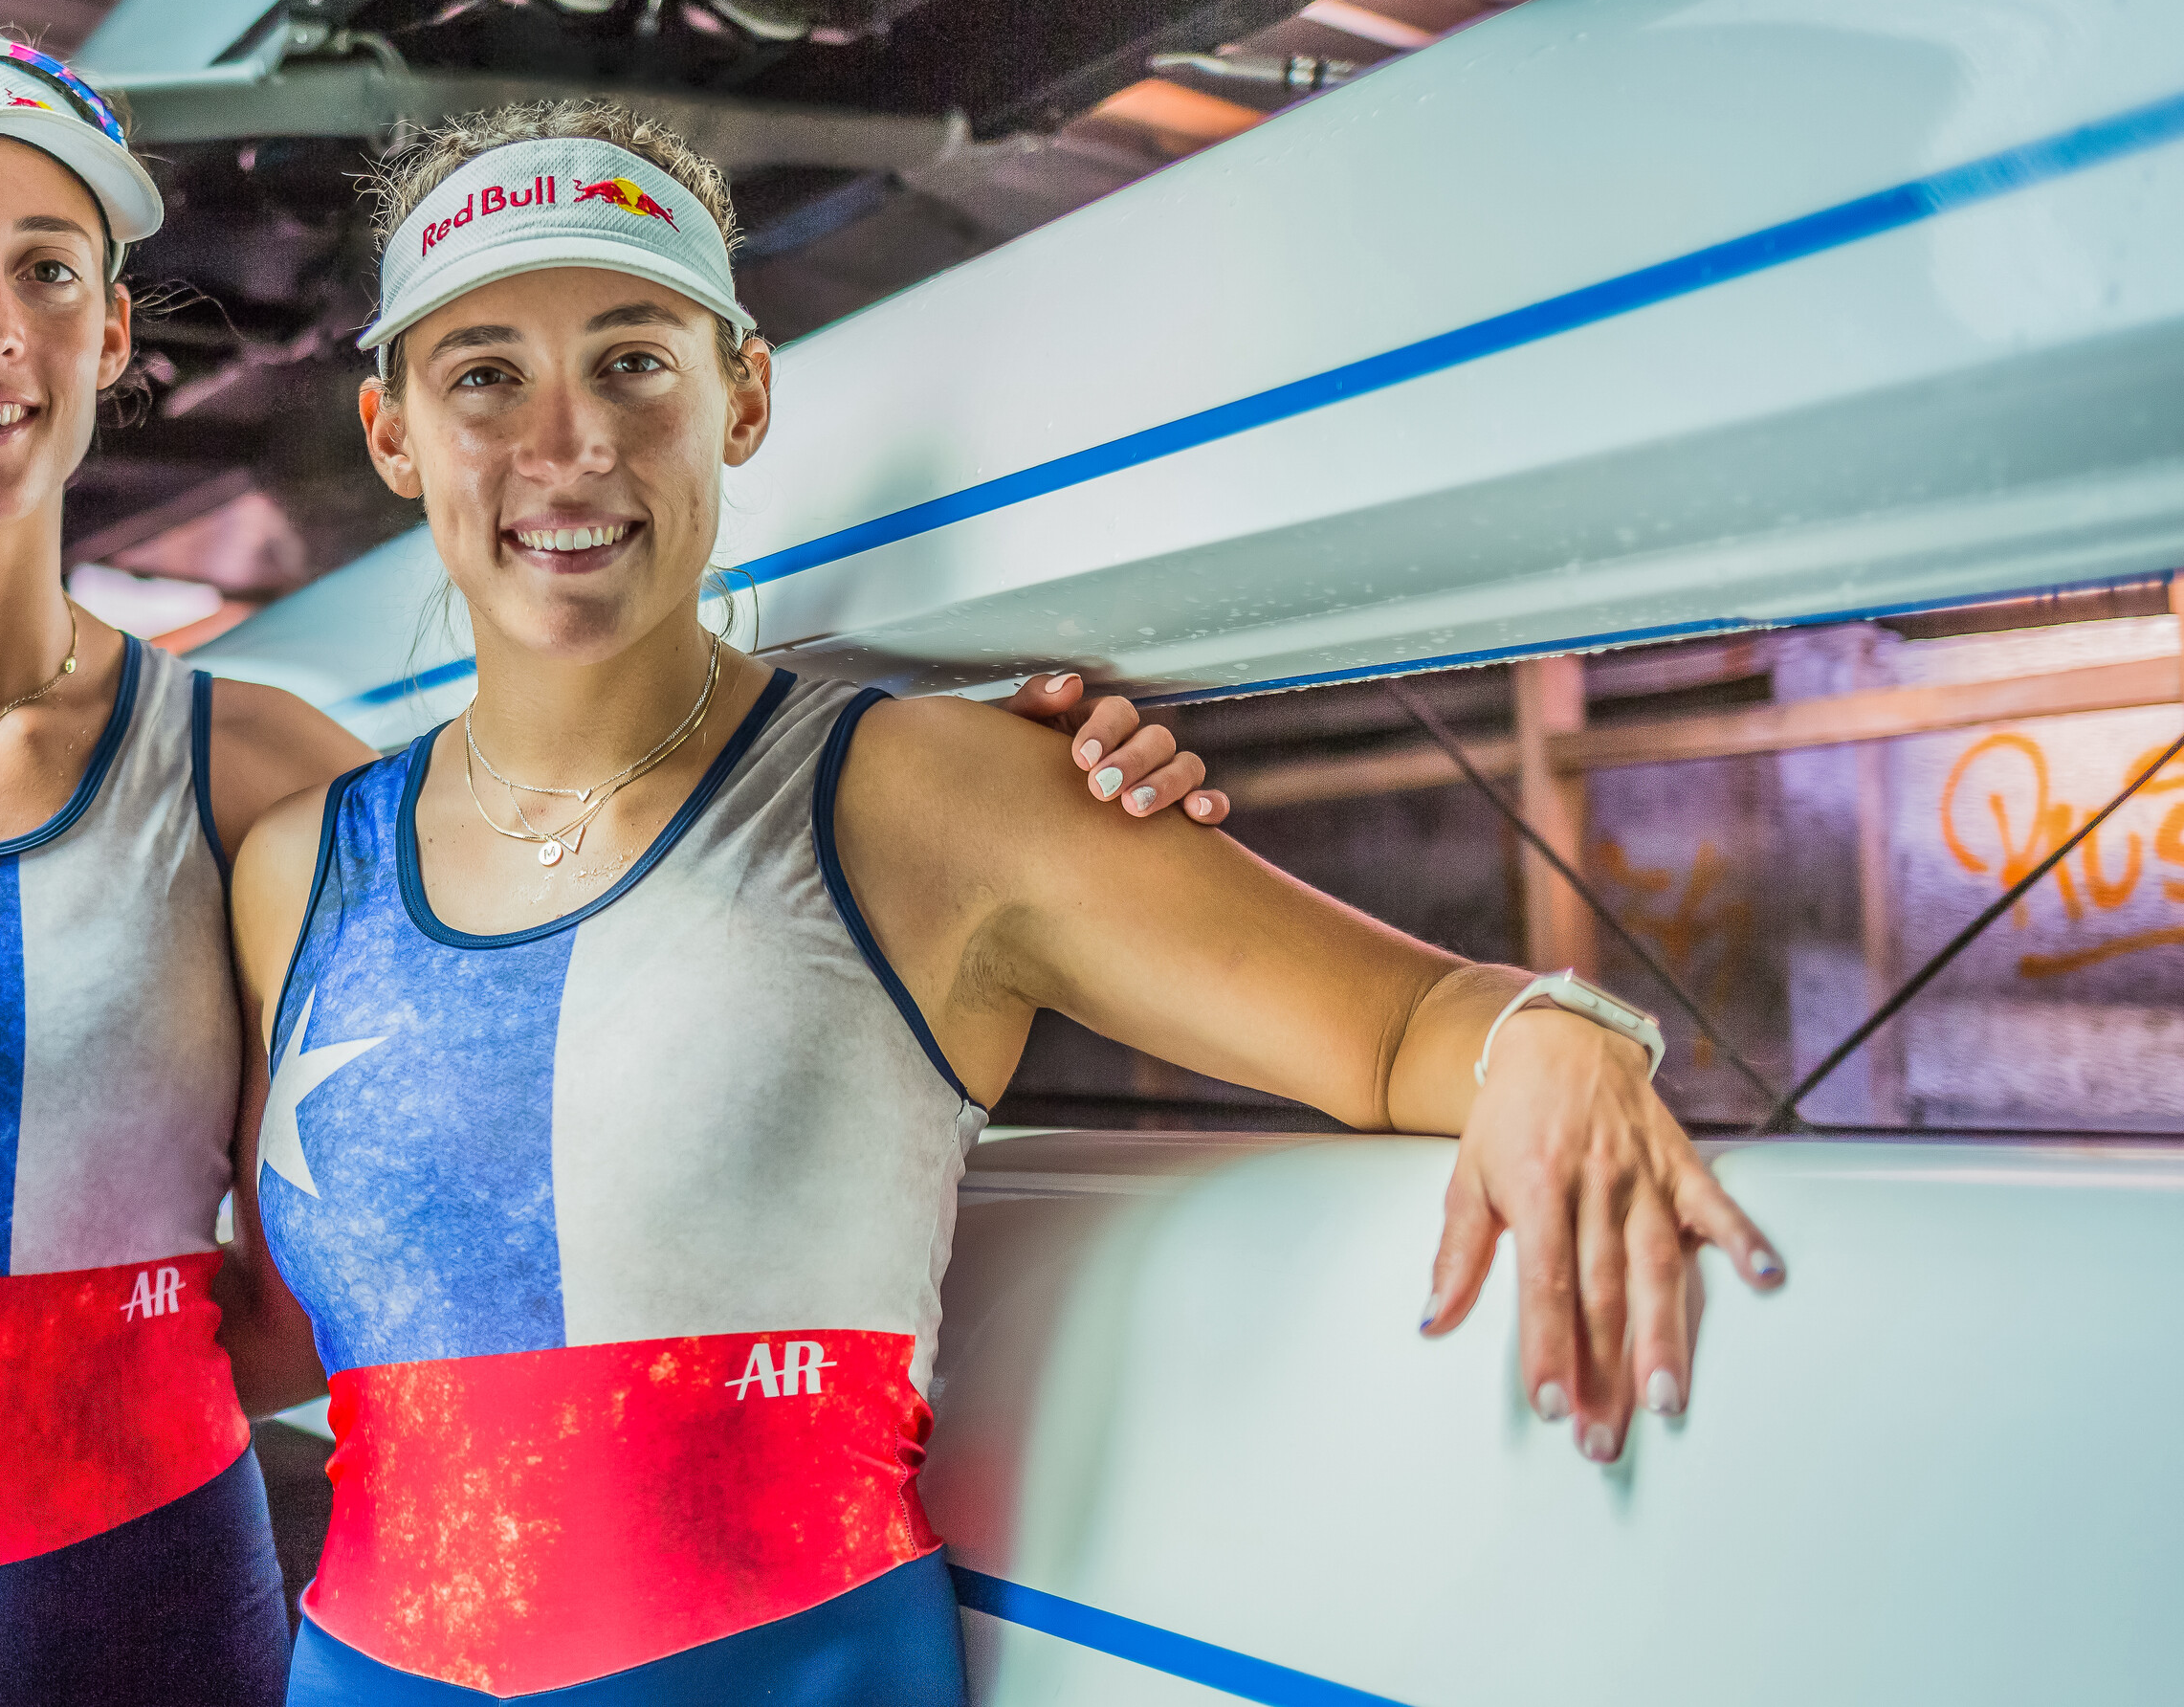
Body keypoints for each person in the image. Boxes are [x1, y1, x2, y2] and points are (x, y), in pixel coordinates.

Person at [0, 32, 1227, 1707]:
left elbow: (619, 877)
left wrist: (989, 765)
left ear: (111, 334)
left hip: (163, 1628)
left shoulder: (270, 782)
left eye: (47, 269)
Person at [228, 102, 1791, 1706]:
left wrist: (1563, 1043)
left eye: (634, 360)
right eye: (485, 375)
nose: (568, 443)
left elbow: (1402, 1027)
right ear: (394, 432)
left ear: (740, 397)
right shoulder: (300, 870)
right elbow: (262, 1324)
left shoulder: (929, 796)